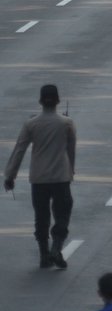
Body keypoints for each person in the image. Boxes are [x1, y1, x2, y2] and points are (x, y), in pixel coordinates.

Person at [4, 83, 76, 269]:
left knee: (41, 215)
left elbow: (19, 150)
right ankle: (56, 248)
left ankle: (44, 254)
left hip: (39, 178)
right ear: (58, 101)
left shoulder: (31, 124)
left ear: (41, 101)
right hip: (60, 177)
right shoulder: (67, 123)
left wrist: (10, 176)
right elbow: (71, 151)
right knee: (62, 213)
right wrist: (71, 171)